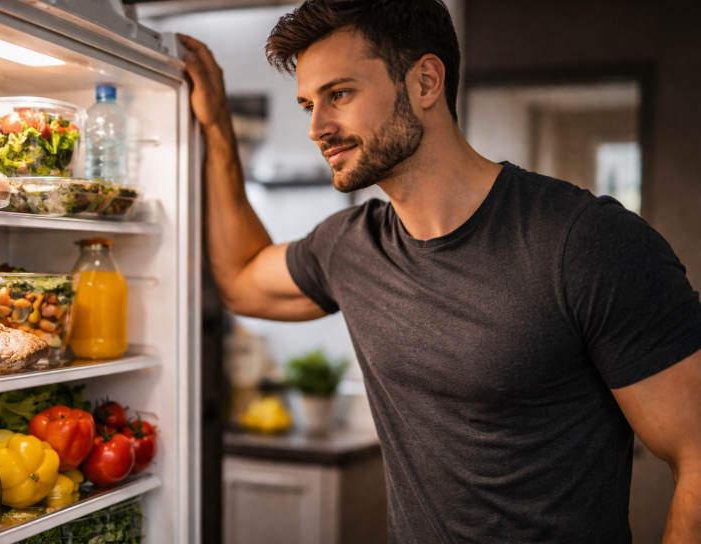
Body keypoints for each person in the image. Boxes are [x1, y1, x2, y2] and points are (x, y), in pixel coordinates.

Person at [178, 0, 701, 541]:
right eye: (308, 103)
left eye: (339, 94)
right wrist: (217, 127)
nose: (317, 127)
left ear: (426, 82)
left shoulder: (585, 243)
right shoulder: (351, 248)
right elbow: (240, 279)